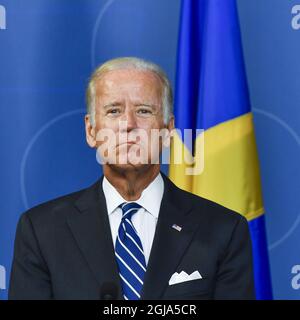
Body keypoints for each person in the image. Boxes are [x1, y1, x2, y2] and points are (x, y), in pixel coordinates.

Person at [9, 57, 255, 300]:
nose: (129, 124)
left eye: (144, 111)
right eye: (114, 111)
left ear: (168, 131)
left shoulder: (223, 230)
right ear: (91, 131)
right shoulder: (42, 231)